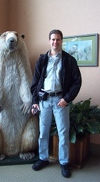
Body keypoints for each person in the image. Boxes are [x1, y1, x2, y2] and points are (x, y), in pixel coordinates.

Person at [31, 29, 82, 178]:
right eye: (53, 39)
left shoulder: (69, 60)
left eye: (58, 39)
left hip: (61, 101)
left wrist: (67, 98)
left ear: (61, 41)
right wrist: (35, 101)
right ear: (49, 41)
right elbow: (35, 83)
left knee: (63, 133)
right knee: (43, 132)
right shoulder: (41, 60)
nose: (55, 42)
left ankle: (64, 162)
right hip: (44, 100)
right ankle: (43, 158)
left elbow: (76, 82)